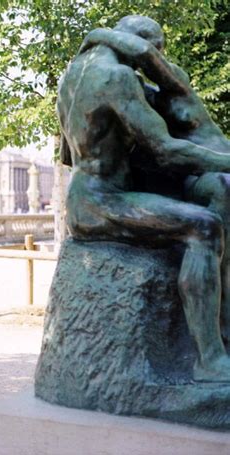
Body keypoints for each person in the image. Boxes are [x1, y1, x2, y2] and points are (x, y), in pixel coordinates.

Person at [58, 15, 230, 382]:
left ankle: (221, 324)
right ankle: (209, 359)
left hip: (84, 195)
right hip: (102, 202)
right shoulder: (117, 78)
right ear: (145, 46)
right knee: (204, 227)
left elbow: (66, 156)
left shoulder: (71, 77)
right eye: (158, 53)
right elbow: (165, 150)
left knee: (211, 199)